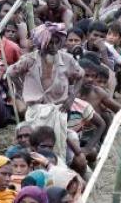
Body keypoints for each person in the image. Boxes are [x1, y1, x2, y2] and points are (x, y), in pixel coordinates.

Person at [5, 23, 84, 166]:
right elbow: (11, 73)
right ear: (41, 44)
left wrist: (70, 99)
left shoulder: (67, 59)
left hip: (57, 110)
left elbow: (80, 76)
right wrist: (22, 90)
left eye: (56, 42)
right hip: (35, 111)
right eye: (49, 43)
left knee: (57, 146)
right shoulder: (29, 59)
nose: (53, 46)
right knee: (34, 146)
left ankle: (58, 169)